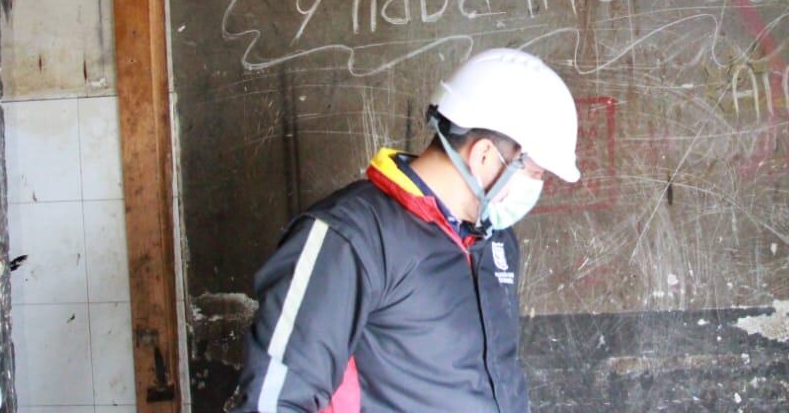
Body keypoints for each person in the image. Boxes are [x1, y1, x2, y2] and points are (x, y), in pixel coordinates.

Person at [229, 48, 581, 413]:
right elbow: (272, 403)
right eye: (536, 174)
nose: (538, 188)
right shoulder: (350, 237)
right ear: (485, 156)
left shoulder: (495, 242)